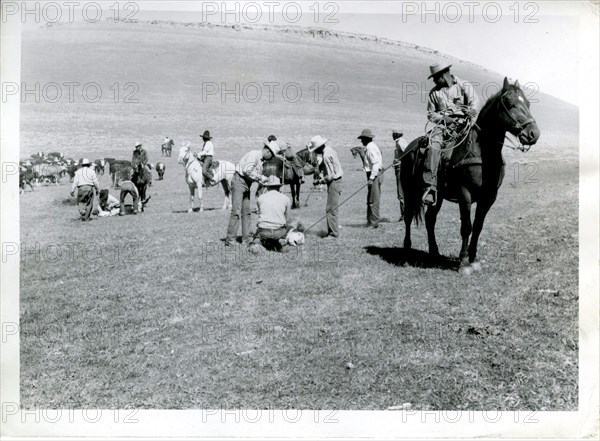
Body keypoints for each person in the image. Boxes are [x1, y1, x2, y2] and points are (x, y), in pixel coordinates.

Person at [423, 63, 480, 205]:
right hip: (444, 127)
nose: (434, 82)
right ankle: (431, 187)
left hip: (465, 123)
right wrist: (443, 118)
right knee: (433, 145)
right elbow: (430, 114)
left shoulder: (463, 85)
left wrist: (472, 111)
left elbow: (474, 101)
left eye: (436, 78)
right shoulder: (434, 93)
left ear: (443, 75)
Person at [225, 140, 280, 246]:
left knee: (246, 212)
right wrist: (261, 178)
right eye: (272, 156)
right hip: (239, 181)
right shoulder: (254, 155)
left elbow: (253, 175)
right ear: (267, 151)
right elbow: (247, 170)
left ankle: (246, 239)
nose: (271, 158)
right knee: (236, 211)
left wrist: (262, 180)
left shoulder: (261, 161)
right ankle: (230, 240)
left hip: (247, 184)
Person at [249, 176, 293, 254]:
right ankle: (281, 240)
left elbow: (260, 214)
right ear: (279, 187)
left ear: (267, 187)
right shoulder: (286, 199)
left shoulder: (260, 198)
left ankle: (257, 243)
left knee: (258, 232)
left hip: (263, 231)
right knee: (288, 228)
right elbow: (288, 220)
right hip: (279, 231)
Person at [310, 135, 343, 238]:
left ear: (320, 147)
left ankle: (333, 234)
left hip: (334, 182)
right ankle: (332, 231)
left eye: (316, 150)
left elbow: (331, 175)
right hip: (337, 181)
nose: (316, 152)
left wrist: (320, 181)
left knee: (331, 208)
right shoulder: (329, 150)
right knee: (332, 207)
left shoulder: (326, 155)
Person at [358, 129, 383, 228]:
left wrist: (371, 178)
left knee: (373, 199)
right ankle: (370, 221)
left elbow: (375, 164)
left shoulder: (370, 148)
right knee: (371, 198)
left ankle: (374, 222)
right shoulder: (370, 146)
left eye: (362, 139)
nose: (361, 141)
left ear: (366, 139)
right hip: (373, 174)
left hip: (374, 174)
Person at [393, 129, 408, 221]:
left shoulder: (401, 142)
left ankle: (405, 214)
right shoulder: (399, 141)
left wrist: (400, 161)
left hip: (401, 168)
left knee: (401, 192)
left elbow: (407, 152)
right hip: (399, 167)